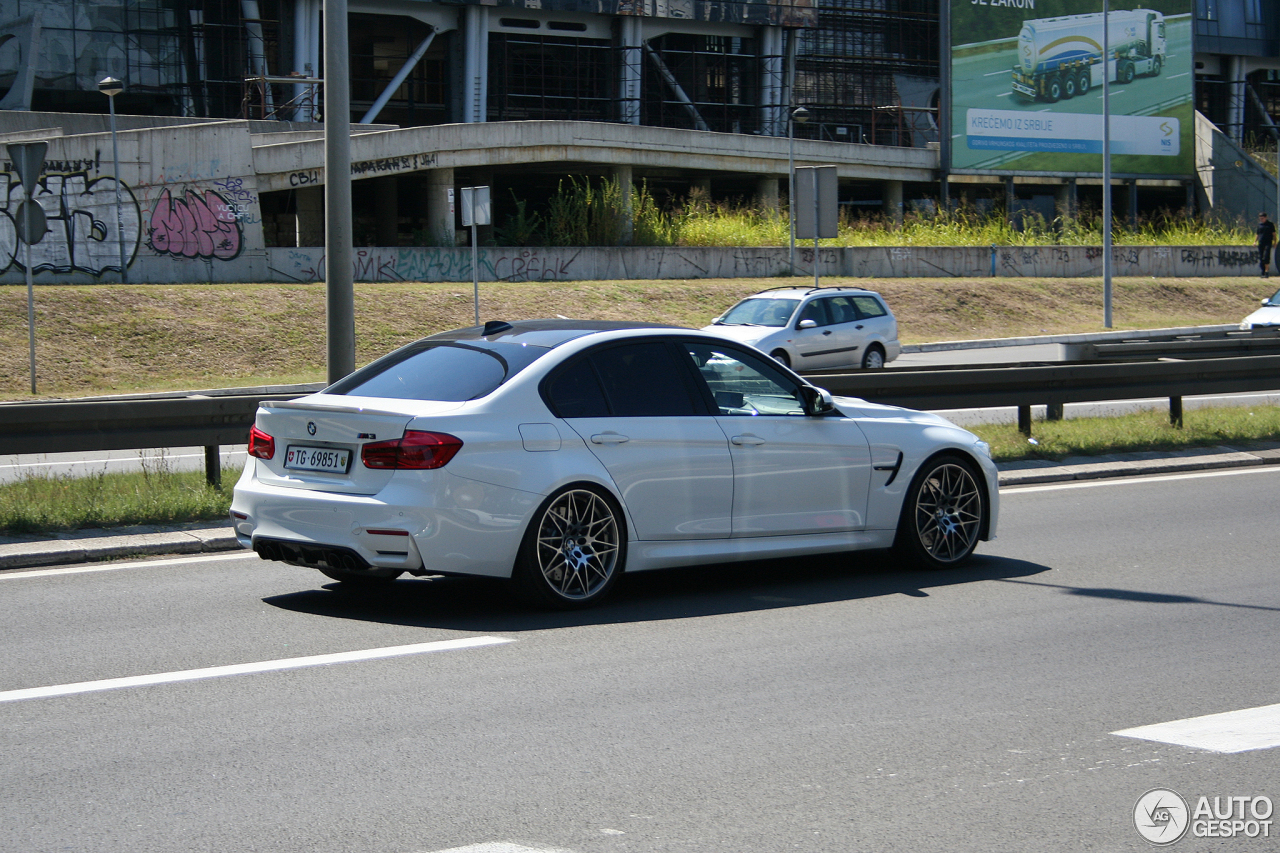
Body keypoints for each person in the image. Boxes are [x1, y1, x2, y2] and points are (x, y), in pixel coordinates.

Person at [1258, 212, 1277, 278]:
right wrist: (1254, 242)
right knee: (1261, 258)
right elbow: (1257, 234)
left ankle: (1266, 272)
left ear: (1266, 218)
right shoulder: (1259, 225)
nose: (1261, 220)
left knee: (1266, 257)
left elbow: (1274, 234)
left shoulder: (1270, 225)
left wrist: (1275, 242)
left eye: (1262, 218)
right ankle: (1263, 272)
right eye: (1260, 218)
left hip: (1268, 243)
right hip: (1261, 243)